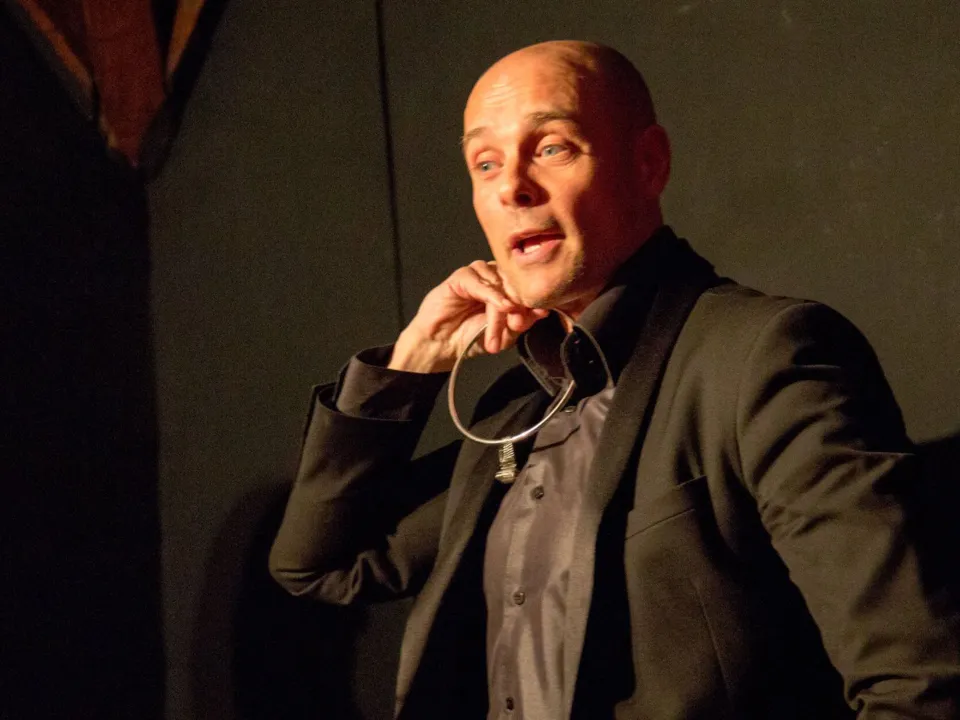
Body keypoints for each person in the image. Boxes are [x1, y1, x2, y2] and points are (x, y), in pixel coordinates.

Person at [269, 40, 960, 719]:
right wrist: (411, 363)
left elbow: (917, 680)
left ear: (649, 162)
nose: (511, 186)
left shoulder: (762, 355)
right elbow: (322, 565)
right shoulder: (517, 410)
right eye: (485, 163)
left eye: (551, 148)